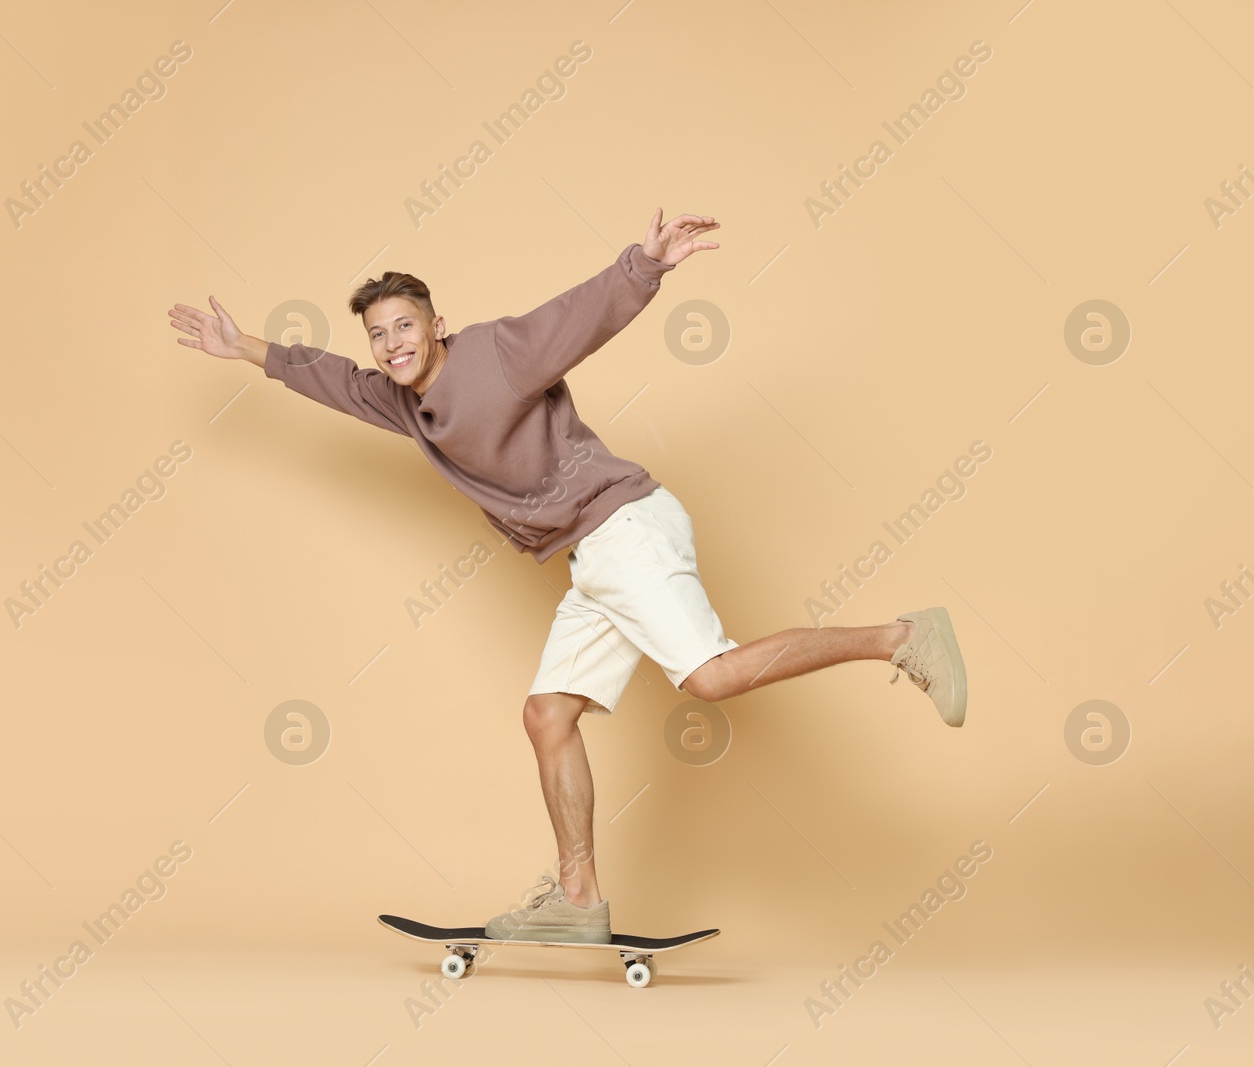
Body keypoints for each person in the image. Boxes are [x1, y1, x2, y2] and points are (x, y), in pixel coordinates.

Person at [168, 208, 967, 945]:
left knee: (712, 676)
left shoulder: (496, 354)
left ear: (436, 324)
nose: (390, 345)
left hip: (625, 525)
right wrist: (241, 346)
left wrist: (644, 264)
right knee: (548, 715)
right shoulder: (403, 400)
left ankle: (902, 635)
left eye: (404, 326)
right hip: (593, 555)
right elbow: (332, 380)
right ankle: (578, 897)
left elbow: (577, 318)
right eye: (379, 335)